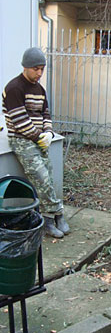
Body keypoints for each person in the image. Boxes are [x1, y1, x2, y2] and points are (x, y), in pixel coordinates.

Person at [2, 47, 70, 239]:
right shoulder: (14, 88)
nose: (39, 73)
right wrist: (39, 137)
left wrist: (49, 132)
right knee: (41, 177)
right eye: (36, 69)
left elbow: (45, 114)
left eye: (42, 69)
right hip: (22, 140)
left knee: (48, 174)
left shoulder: (40, 90)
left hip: (39, 140)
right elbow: (20, 121)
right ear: (26, 67)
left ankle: (50, 218)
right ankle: (57, 214)